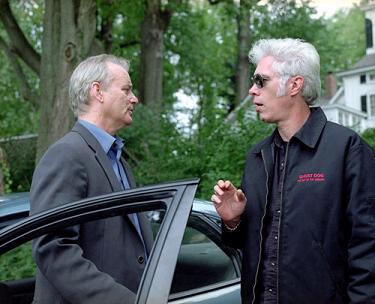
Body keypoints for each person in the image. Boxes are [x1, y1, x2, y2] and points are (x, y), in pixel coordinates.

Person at [212, 38, 375, 304]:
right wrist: (233, 222)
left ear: (295, 85)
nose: (252, 90)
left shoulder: (347, 150)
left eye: (261, 81)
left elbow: (368, 248)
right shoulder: (257, 157)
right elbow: (258, 248)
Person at [30, 54, 153, 304]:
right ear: (97, 91)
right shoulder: (66, 155)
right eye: (126, 89)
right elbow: (54, 249)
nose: (134, 98)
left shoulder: (118, 160)